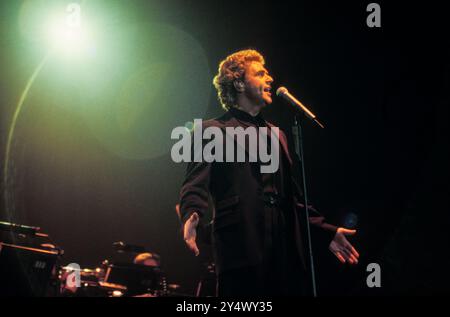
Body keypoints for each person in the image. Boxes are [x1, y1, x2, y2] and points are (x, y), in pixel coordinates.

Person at [178, 49, 359, 296]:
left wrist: (325, 231)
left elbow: (292, 198)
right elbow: (195, 182)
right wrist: (192, 213)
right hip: (240, 246)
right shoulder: (212, 130)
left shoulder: (277, 135)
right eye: (261, 73)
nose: (270, 78)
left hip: (283, 252)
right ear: (239, 83)